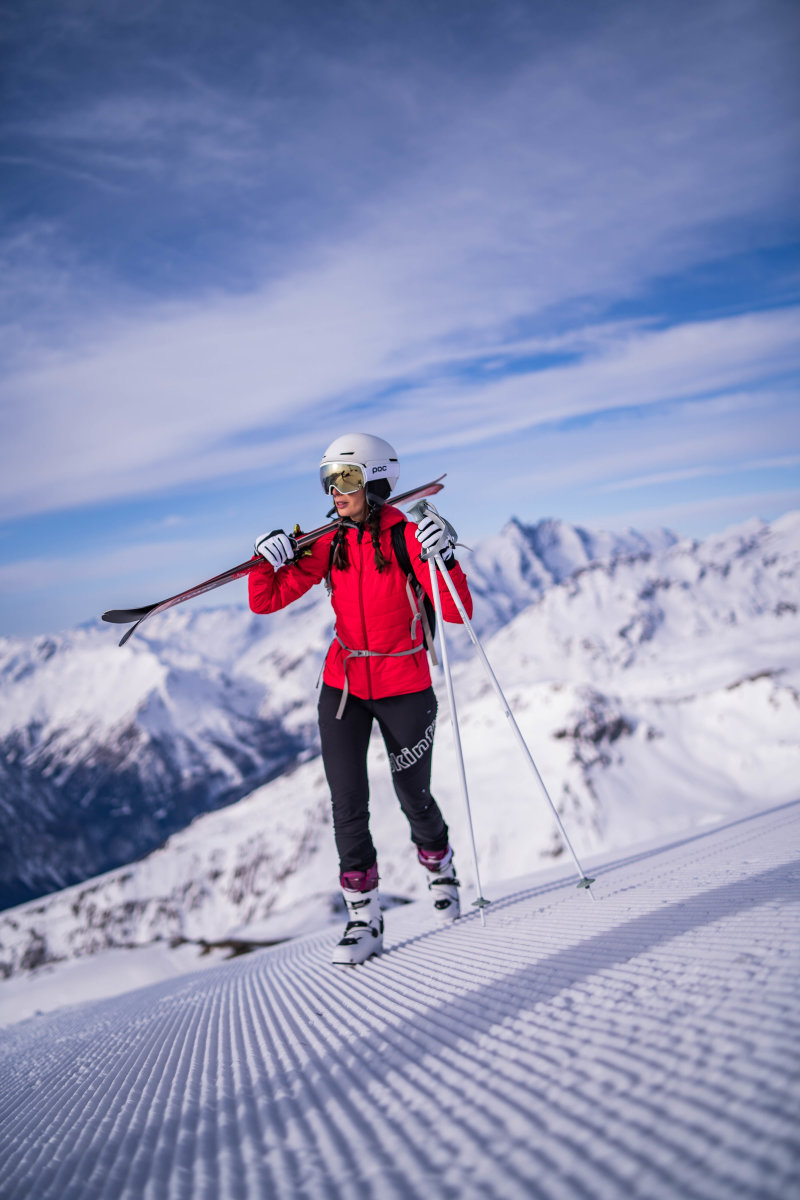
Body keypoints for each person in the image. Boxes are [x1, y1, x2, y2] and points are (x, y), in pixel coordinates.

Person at [250, 432, 473, 966]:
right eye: (328, 481)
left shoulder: (407, 537)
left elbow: (458, 611)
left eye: (345, 479)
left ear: (375, 481)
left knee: (413, 796)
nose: (335, 493)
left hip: (405, 687)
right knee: (347, 803)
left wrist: (444, 558)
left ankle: (439, 867)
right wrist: (266, 560)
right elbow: (266, 599)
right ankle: (363, 917)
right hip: (344, 688)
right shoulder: (330, 541)